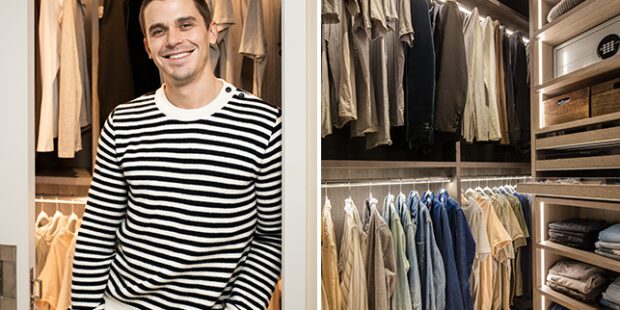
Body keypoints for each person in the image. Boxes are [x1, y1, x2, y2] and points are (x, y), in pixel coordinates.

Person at [70, 0, 282, 309]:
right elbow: (96, 234)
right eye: (159, 31)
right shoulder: (122, 123)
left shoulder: (263, 125)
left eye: (185, 25)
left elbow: (270, 238)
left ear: (211, 31)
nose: (172, 40)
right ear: (147, 47)